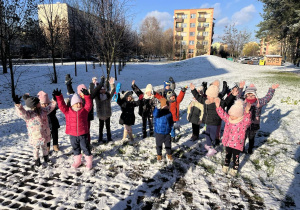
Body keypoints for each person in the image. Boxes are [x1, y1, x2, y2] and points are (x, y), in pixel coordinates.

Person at [190, 82, 237, 156]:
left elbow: (227, 101)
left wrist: (233, 95)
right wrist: (193, 90)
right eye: (207, 95)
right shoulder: (206, 101)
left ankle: (211, 149)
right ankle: (208, 146)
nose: (207, 97)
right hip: (207, 122)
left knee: (211, 136)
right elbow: (198, 97)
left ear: (214, 96)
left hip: (214, 123)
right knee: (207, 134)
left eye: (209, 96)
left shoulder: (219, 102)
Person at [53, 88, 93, 170]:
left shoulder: (84, 110)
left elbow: (89, 104)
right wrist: (59, 97)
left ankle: (89, 162)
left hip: (82, 134)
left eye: (79, 103)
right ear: (72, 104)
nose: (78, 105)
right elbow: (61, 105)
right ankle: (77, 161)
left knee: (85, 147)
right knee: (76, 148)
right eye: (76, 103)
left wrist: (87, 96)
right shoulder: (67, 111)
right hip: (72, 134)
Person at [13, 94, 56, 167]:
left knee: (45, 147)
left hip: (44, 133)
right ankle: (37, 160)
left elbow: (50, 107)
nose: (40, 103)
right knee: (36, 149)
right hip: (36, 135)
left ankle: (46, 158)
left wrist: (54, 100)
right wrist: (18, 105)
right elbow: (22, 113)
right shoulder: (29, 114)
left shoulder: (43, 110)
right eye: (38, 102)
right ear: (35, 105)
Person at [239, 83, 279, 154]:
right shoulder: (243, 102)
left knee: (251, 138)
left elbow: (267, 98)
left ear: (255, 95)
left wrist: (272, 89)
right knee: (243, 137)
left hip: (254, 124)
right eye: (248, 95)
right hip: (244, 124)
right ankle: (242, 148)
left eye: (252, 95)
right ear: (245, 96)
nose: (250, 97)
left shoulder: (259, 102)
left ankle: (250, 149)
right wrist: (241, 88)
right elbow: (238, 97)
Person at [215, 98, 252, 176]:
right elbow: (223, 114)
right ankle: (226, 164)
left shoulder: (243, 122)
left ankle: (235, 168)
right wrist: (218, 107)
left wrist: (247, 111)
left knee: (236, 157)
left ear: (239, 115)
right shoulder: (229, 119)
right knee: (227, 154)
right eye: (231, 114)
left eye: (234, 116)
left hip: (237, 144)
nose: (231, 116)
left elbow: (248, 120)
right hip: (228, 142)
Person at [91, 77, 116, 143]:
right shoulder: (96, 97)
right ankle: (100, 138)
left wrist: (112, 84)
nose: (102, 91)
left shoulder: (108, 96)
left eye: (104, 89)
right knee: (100, 127)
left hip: (107, 114)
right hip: (100, 114)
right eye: (101, 89)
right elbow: (92, 92)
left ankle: (109, 138)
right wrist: (93, 84)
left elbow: (113, 90)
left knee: (108, 127)